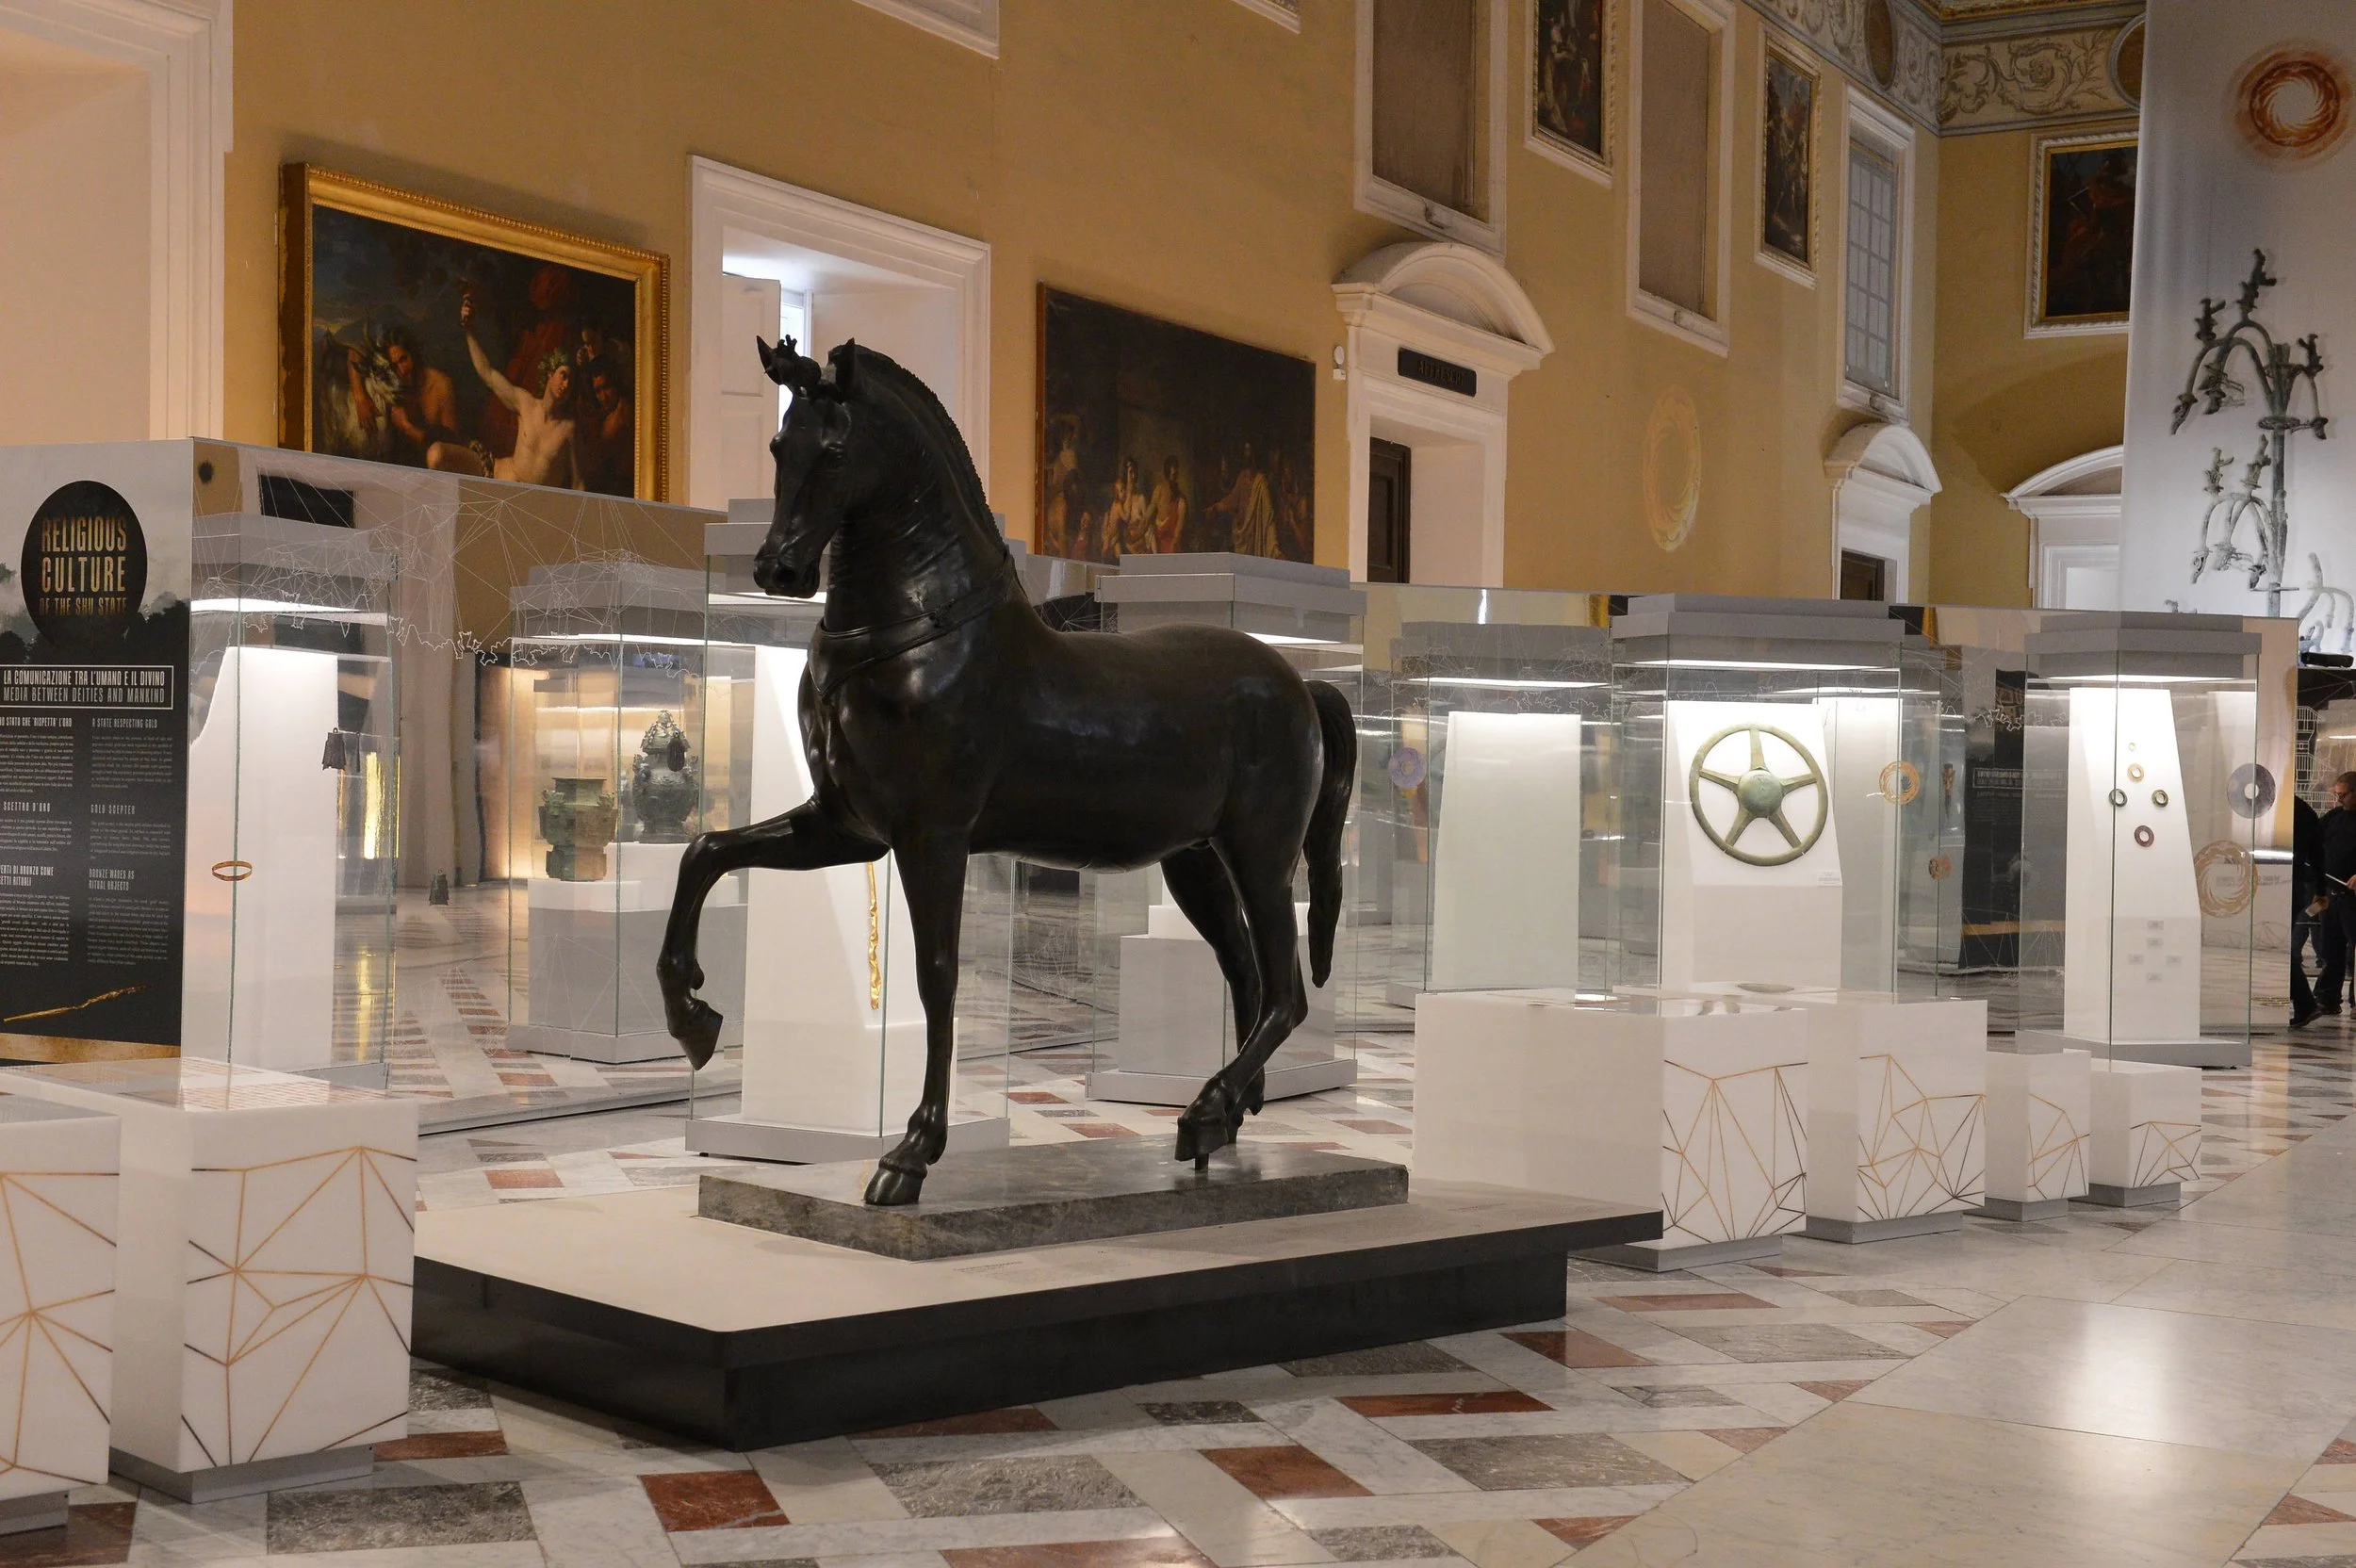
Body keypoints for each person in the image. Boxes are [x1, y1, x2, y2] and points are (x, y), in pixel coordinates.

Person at [461, 292, 582, 488]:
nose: (566, 385)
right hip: (496, 475)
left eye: (571, 381)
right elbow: (488, 374)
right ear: (550, 372)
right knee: (438, 454)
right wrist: (469, 331)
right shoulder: (526, 403)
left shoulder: (568, 429)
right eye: (563, 375)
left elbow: (579, 484)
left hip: (526, 505)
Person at [2312, 773, 2356, 1015]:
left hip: (2352, 897)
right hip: (2332, 892)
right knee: (2331, 948)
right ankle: (2328, 997)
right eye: (2337, 794)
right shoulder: (2334, 817)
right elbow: (2316, 841)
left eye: (2344, 795)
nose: (2339, 800)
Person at [2294, 792, 2325, 1028]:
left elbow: (2316, 855)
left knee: (2287, 950)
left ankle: (2306, 1004)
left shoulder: (2293, 810)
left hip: (2287, 884)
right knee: (2288, 949)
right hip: (2296, 884)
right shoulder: (2305, 810)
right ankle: (2305, 1005)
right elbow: (2318, 856)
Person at [1149, 458, 1187, 554]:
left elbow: (1178, 532)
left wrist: (1170, 554)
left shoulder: (1181, 501)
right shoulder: (1158, 492)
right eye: (1170, 476)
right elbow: (1146, 520)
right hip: (1158, 551)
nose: (1172, 481)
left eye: (1174, 476)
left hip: (1172, 551)